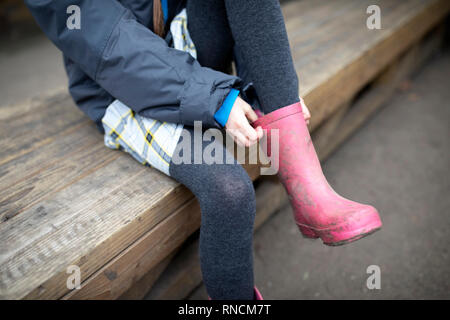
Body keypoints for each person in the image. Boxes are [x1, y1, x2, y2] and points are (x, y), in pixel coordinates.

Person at [25, 0, 382, 300]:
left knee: (271, 95)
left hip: (190, 54)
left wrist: (271, 93)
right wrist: (213, 97)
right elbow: (107, 43)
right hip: (120, 84)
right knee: (230, 192)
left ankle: (308, 189)